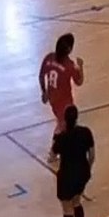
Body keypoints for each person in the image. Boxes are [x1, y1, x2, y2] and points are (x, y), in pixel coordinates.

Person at [51, 105, 95, 217]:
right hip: (82, 172)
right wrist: (88, 169)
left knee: (67, 208)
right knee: (77, 201)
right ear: (77, 117)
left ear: (64, 119)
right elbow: (92, 155)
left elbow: (52, 157)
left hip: (66, 176)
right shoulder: (85, 132)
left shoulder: (61, 137)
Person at [39, 33, 85, 162]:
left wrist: (44, 92)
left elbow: (41, 75)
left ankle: (63, 150)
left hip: (53, 98)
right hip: (65, 102)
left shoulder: (49, 58)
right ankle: (53, 153)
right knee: (62, 126)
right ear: (69, 49)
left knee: (64, 125)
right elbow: (79, 81)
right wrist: (81, 67)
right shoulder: (70, 65)